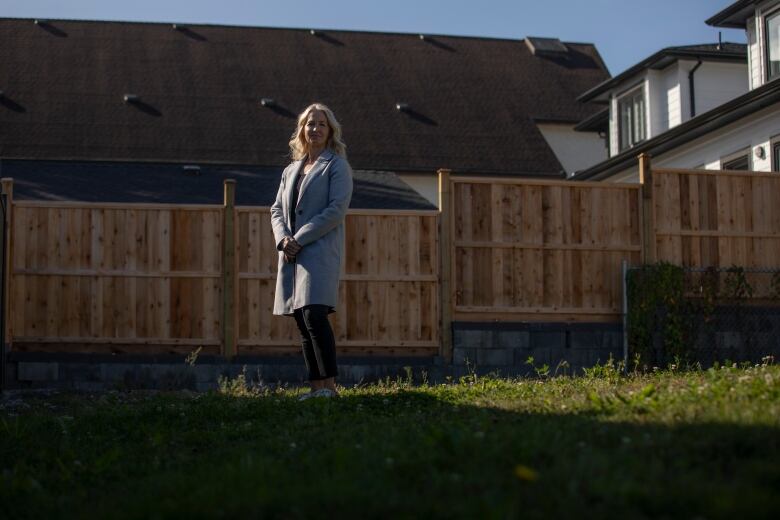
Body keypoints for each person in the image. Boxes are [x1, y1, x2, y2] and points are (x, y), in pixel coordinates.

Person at [270, 103, 353, 400]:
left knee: (315, 315)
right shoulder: (291, 170)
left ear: (330, 131)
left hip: (318, 252)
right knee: (302, 320)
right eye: (309, 124)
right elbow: (277, 209)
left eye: (321, 124)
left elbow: (336, 210)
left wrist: (299, 238)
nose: (314, 129)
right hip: (292, 255)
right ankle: (316, 387)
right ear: (301, 130)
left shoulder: (336, 166)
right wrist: (283, 240)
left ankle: (330, 388)